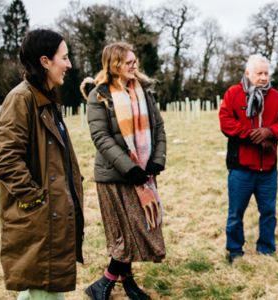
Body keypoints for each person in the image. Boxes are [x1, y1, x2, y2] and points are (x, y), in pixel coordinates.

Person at [0, 29, 84, 300]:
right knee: (41, 289)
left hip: (52, 219)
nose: (69, 64)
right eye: (64, 58)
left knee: (42, 290)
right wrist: (35, 200)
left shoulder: (48, 99)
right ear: (45, 61)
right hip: (41, 219)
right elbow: (5, 158)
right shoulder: (22, 99)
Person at [81, 42, 166, 300]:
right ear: (114, 64)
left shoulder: (144, 92)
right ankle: (106, 283)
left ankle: (125, 283)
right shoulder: (99, 96)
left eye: (135, 60)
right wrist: (130, 169)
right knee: (125, 233)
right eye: (128, 62)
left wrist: (157, 161)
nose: (134, 65)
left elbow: (159, 128)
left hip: (143, 174)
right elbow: (101, 138)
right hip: (115, 177)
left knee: (136, 231)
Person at [218, 54, 278, 263]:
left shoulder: (277, 97)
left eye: (266, 73)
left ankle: (266, 250)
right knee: (236, 213)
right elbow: (226, 122)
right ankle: (234, 251)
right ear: (247, 73)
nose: (263, 77)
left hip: (268, 169)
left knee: (268, 212)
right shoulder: (233, 94)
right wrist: (252, 134)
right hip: (241, 168)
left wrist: (269, 132)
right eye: (259, 73)